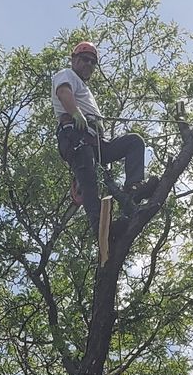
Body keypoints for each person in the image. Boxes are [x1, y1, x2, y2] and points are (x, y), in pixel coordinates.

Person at [52, 42, 153, 237]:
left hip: (95, 141)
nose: (89, 64)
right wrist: (77, 113)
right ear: (74, 59)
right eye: (84, 59)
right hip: (75, 137)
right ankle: (101, 229)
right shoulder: (66, 74)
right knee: (89, 182)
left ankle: (134, 188)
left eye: (93, 62)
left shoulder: (83, 87)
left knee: (134, 142)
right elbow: (63, 92)